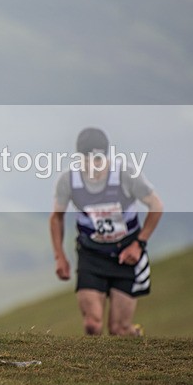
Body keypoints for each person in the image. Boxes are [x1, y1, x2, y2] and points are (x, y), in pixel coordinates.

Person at [50, 127, 163, 336]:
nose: (93, 166)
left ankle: (134, 335)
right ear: (79, 157)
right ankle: (94, 368)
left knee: (119, 330)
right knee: (92, 325)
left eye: (98, 160)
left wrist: (139, 244)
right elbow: (56, 217)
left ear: (107, 156)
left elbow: (156, 205)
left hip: (126, 254)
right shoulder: (68, 181)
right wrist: (60, 256)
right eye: (87, 160)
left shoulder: (126, 175)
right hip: (91, 254)